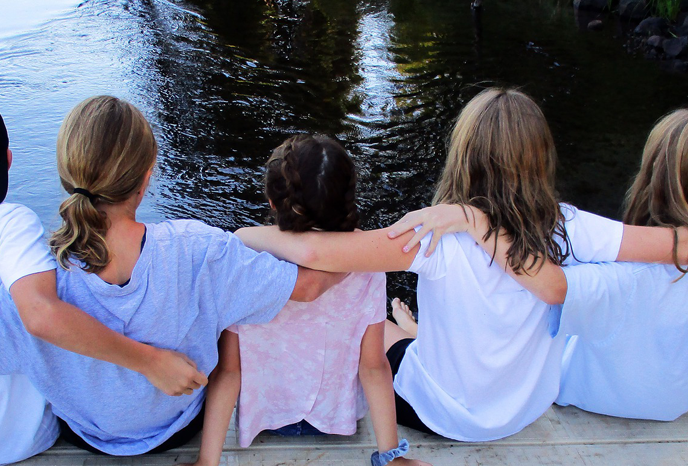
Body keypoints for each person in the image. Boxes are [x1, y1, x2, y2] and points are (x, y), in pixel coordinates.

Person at [235, 88, 688, 442]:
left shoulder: (434, 239)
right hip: (520, 414)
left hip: (438, 415)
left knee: (376, 333)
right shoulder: (570, 225)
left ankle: (410, 336)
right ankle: (415, 334)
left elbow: (315, 255)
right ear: (540, 157)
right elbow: (676, 246)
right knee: (402, 326)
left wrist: (242, 235)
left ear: (464, 155)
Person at [0, 97, 337, 466]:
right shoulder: (198, 249)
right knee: (226, 302)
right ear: (147, 175)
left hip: (87, 433)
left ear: (66, 172)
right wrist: (359, 242)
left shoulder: (31, 281)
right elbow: (309, 286)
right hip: (179, 427)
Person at [137, 135, 452, 466]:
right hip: (338, 423)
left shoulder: (245, 262)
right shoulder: (368, 266)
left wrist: (207, 465)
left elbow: (230, 372)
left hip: (272, 421)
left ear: (273, 202)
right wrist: (391, 458)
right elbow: (373, 368)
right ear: (348, 199)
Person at [423, 109, 688, 421]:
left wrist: (475, 220)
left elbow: (552, 286)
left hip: (597, 395)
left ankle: (417, 334)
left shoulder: (622, 276)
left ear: (651, 175)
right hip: (678, 398)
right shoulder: (598, 244)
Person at [0, 112, 208, 466]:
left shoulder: (44, 269)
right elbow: (40, 314)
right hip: (25, 441)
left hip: (79, 429)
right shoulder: (202, 248)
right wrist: (150, 362)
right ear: (148, 173)